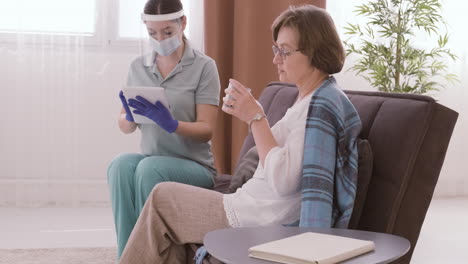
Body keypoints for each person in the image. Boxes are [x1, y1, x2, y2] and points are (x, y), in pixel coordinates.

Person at [119, 5, 361, 264]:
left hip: (257, 219)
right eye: (275, 49)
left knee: (161, 198)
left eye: (284, 51)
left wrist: (256, 118)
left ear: (314, 51)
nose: (275, 59)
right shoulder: (309, 99)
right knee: (130, 174)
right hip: (248, 206)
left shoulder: (320, 107)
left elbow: (283, 181)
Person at [107, 0, 221, 258]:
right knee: (120, 166)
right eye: (152, 33)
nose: (160, 39)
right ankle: (127, 256)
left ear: (183, 23)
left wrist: (172, 124)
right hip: (152, 159)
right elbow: (125, 126)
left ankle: (153, 256)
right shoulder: (138, 66)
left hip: (194, 166)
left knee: (149, 169)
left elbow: (206, 129)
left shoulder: (204, 67)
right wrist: (129, 115)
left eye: (167, 32)